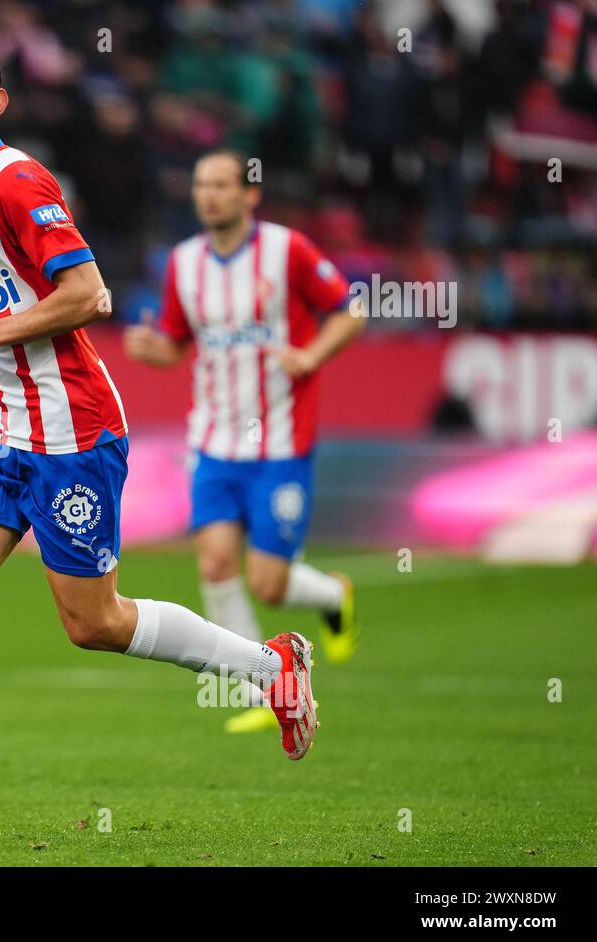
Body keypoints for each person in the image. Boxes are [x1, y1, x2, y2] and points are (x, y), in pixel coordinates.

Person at [0, 42, 317, 845]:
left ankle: (273, 669)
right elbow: (0, 312)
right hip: (2, 433)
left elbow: (87, 293)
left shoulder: (17, 181)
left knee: (93, 623)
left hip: (73, 434)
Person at [125, 149, 363, 736]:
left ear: (249, 194)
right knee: (214, 562)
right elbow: (179, 343)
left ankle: (332, 595)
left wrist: (309, 355)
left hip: (280, 442)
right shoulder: (183, 263)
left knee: (269, 583)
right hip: (212, 441)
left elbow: (349, 311)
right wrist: (152, 349)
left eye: (221, 185)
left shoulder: (288, 251)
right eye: (201, 184)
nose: (209, 195)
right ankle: (268, 684)